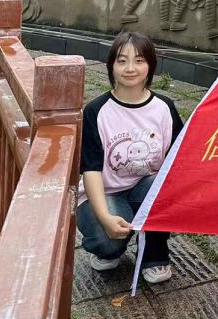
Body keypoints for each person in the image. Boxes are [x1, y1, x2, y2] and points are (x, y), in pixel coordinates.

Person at [77, 32, 184, 284]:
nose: (130, 68)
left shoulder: (164, 108)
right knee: (107, 240)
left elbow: (178, 161)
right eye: (122, 61)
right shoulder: (96, 111)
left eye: (139, 60)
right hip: (106, 192)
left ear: (151, 65)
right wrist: (105, 217)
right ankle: (109, 249)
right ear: (111, 66)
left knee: (164, 187)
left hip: (145, 187)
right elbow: (91, 170)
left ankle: (154, 254)